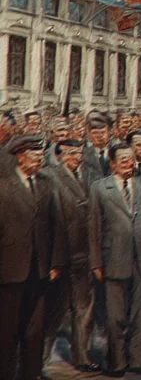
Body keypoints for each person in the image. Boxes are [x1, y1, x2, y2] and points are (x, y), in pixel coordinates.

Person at [89, 144, 141, 377]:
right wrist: (96, 262)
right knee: (115, 316)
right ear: (112, 163)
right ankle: (117, 362)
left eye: (130, 159)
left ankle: (138, 360)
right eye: (122, 159)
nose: (128, 163)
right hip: (113, 259)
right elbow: (94, 229)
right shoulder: (99, 188)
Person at [0, 135, 65, 380]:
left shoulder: (46, 185)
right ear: (20, 156)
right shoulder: (3, 187)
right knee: (7, 330)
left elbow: (57, 225)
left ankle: (31, 373)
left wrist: (55, 262)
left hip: (40, 270)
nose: (39, 160)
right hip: (10, 271)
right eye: (34, 156)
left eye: (40, 156)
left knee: (35, 329)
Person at [43, 138, 101, 373]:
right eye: (70, 153)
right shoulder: (49, 176)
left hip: (85, 254)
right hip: (61, 255)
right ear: (59, 155)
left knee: (84, 309)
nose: (76, 158)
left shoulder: (90, 174)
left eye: (79, 153)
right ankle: (39, 359)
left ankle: (82, 356)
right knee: (53, 311)